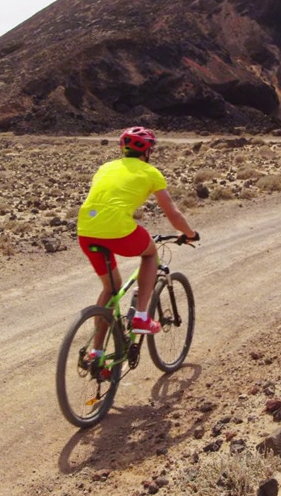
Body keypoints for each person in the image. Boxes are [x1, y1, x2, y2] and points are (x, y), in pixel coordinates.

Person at [77, 126, 198, 357]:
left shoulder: (105, 167)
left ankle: (97, 353)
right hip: (117, 228)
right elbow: (173, 214)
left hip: (85, 229)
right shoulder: (151, 173)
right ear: (148, 151)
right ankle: (141, 316)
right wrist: (190, 233)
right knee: (150, 253)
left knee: (111, 289)